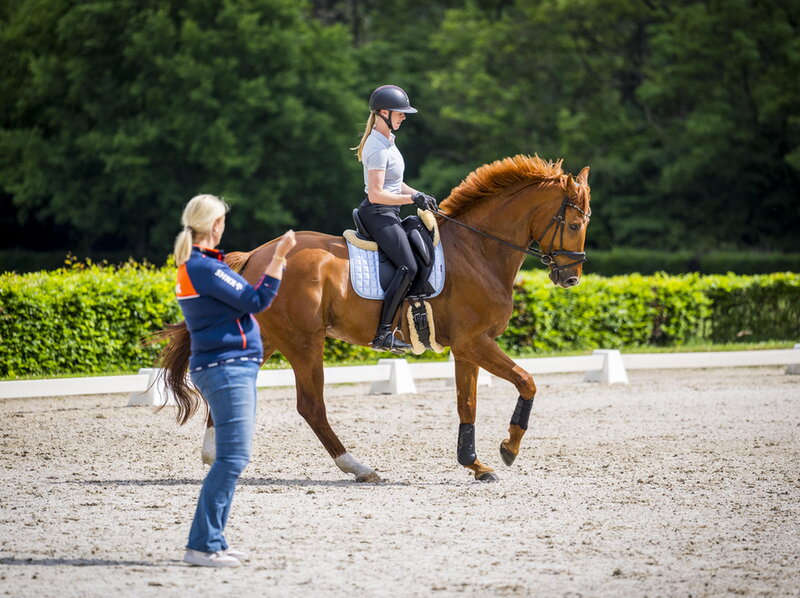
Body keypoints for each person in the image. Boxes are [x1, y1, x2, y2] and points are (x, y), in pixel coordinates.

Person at [172, 194, 296, 567]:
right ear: (215, 225)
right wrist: (278, 258)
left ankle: (213, 540)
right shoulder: (206, 268)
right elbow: (257, 300)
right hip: (227, 368)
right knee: (232, 458)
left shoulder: (199, 266)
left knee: (232, 458)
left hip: (227, 366)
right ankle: (203, 544)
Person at [353, 84, 438, 353]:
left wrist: (418, 193)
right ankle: (383, 334)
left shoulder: (389, 141)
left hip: (390, 210)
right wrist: (412, 200)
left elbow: (395, 184)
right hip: (377, 213)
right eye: (400, 113)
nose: (404, 117)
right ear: (383, 112)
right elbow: (377, 194)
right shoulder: (376, 147)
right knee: (408, 267)